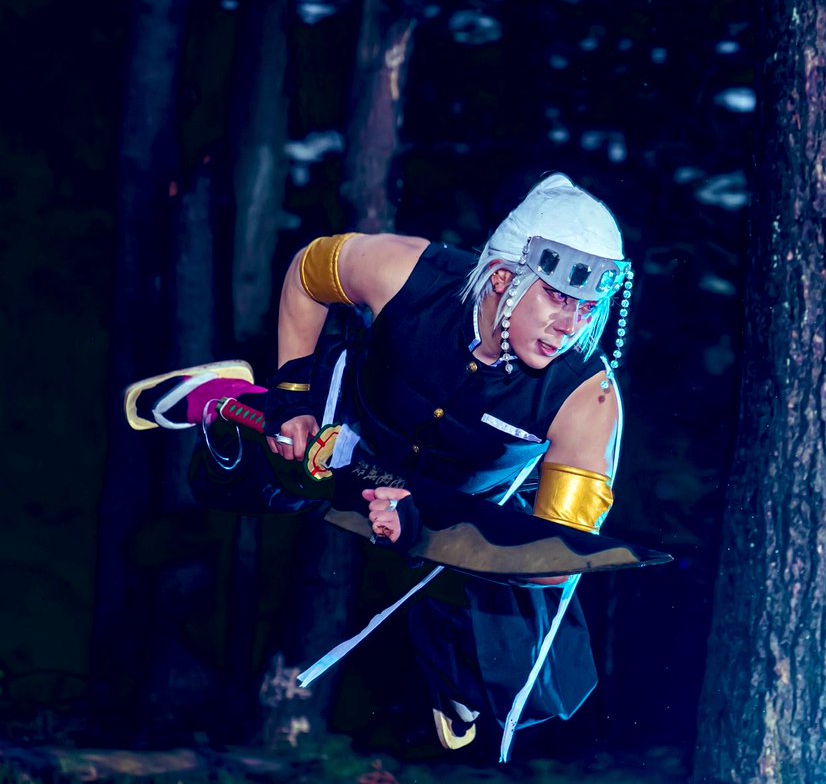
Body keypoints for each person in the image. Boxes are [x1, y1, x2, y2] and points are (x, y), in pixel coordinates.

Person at [124, 172, 635, 758]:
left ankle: (461, 673)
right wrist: (292, 395)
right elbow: (308, 272)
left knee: (531, 669)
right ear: (502, 278)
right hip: (351, 427)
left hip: (466, 503)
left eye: (587, 307)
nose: (571, 326)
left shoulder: (589, 399)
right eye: (558, 298)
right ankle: (228, 404)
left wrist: (429, 531)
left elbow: (560, 558)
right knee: (262, 473)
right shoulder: (404, 272)